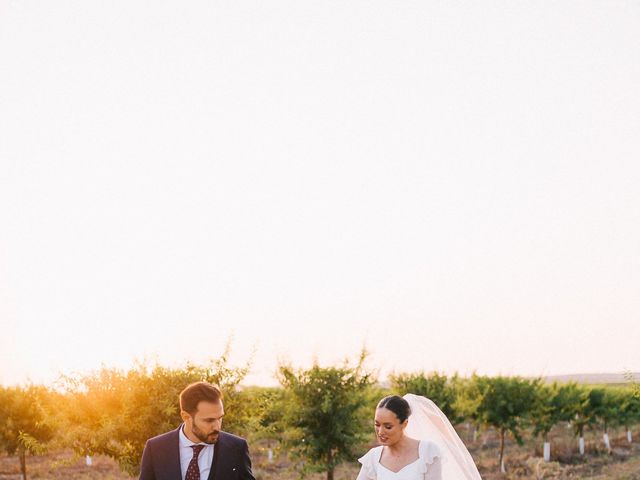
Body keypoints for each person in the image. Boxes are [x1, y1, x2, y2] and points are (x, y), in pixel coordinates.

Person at [139, 381, 255, 480]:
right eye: (209, 420)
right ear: (186, 417)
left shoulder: (237, 448)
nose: (217, 427)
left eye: (220, 418)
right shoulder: (155, 449)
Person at [356, 394, 482, 480]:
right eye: (377, 425)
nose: (380, 431)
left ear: (404, 424)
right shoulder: (373, 458)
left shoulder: (427, 452)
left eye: (388, 426)